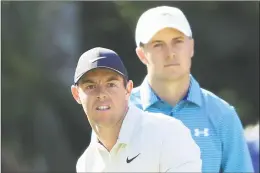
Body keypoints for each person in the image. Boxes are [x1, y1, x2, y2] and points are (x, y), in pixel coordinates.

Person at [130, 5, 254, 173]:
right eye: (158, 45)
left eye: (178, 42)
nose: (170, 53)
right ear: (142, 54)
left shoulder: (223, 115)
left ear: (191, 47)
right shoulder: (119, 113)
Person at [71, 47, 202, 172]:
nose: (101, 94)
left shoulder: (168, 133)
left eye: (111, 84)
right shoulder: (86, 163)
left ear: (128, 89)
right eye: (90, 86)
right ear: (76, 94)